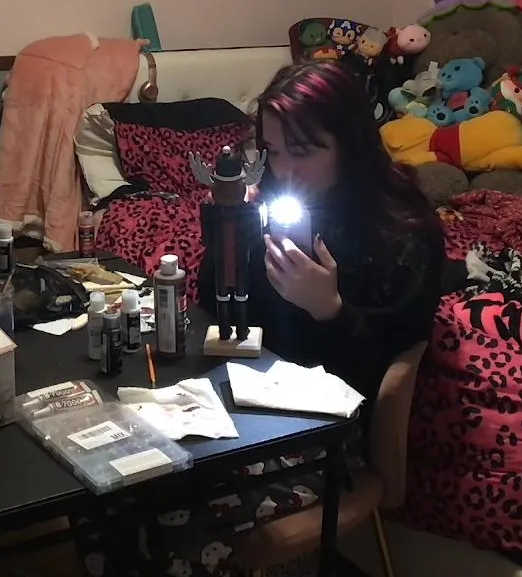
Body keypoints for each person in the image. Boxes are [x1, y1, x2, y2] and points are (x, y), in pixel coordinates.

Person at [78, 61, 446, 576]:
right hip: (243, 406)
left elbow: (391, 370)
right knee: (107, 487)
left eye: (304, 150)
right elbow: (217, 306)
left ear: (351, 144)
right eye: (273, 151)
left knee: (174, 524)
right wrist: (230, 227)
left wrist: (330, 309)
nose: (285, 170)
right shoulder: (272, 203)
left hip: (327, 437)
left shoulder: (400, 232)